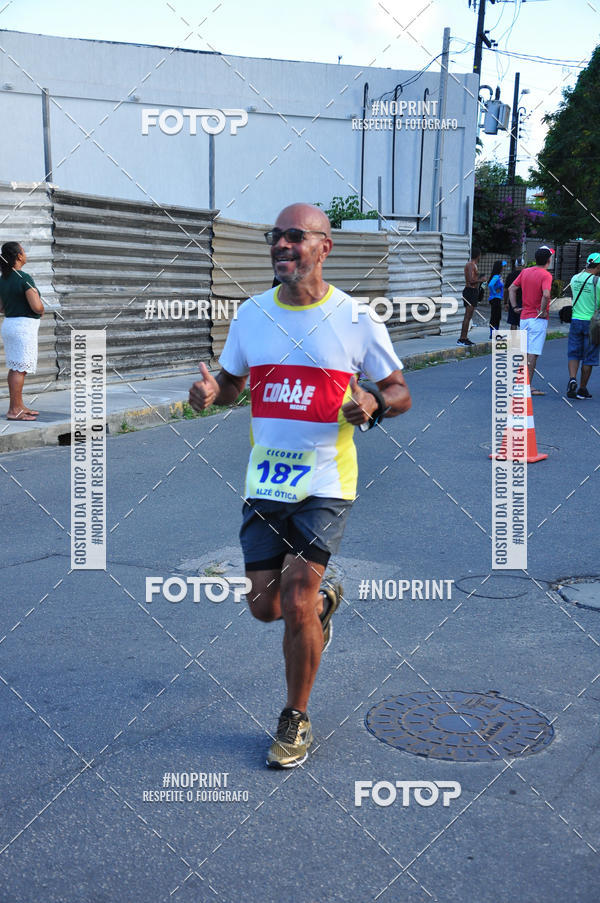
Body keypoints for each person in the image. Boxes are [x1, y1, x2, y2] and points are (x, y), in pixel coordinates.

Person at [189, 203, 411, 768]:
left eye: (295, 236)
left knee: (295, 598)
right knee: (266, 608)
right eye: (276, 236)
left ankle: (296, 718)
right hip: (266, 477)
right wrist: (214, 395)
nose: (281, 245)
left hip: (327, 480)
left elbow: (400, 390)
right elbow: (236, 384)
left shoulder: (356, 319)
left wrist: (374, 401)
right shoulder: (252, 315)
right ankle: (323, 603)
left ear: (323, 247)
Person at [0, 242, 44, 420]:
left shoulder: (3, 279)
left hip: (10, 324)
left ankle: (18, 406)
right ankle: (14, 411)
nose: (25, 254)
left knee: (16, 367)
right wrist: (41, 309)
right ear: (19, 256)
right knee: (19, 369)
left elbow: (1, 308)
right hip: (23, 328)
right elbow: (37, 307)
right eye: (23, 251)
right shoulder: (24, 278)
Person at [508, 246, 553, 395]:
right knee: (532, 353)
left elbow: (511, 288)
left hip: (524, 317)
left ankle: (519, 383)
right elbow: (546, 295)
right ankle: (526, 386)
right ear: (548, 260)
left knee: (525, 351)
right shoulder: (546, 275)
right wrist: (541, 310)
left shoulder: (525, 272)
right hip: (537, 318)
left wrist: (515, 307)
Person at [566, 251, 600, 399]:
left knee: (574, 352)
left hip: (575, 320)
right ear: (598, 266)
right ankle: (582, 388)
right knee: (589, 356)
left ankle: (572, 379)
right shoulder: (598, 282)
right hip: (592, 323)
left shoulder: (575, 278)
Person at [457, 247, 484, 346]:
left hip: (473, 291)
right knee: (467, 316)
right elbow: (470, 280)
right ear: (478, 255)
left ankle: (464, 337)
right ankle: (462, 338)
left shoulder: (474, 265)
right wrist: (481, 280)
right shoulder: (470, 265)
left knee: (469, 316)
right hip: (469, 291)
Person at [487, 260, 504, 338]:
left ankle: (495, 332)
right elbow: (490, 285)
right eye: (502, 266)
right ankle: (493, 333)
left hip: (497, 298)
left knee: (497, 316)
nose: (503, 268)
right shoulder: (496, 276)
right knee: (495, 316)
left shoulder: (498, 276)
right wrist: (494, 292)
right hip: (495, 299)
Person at [505, 262, 523, 331]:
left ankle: (513, 341)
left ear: (515, 266)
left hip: (512, 301)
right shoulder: (526, 274)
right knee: (523, 322)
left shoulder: (510, 275)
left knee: (513, 323)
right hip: (524, 301)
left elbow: (506, 290)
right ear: (523, 265)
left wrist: (505, 302)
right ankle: (523, 340)